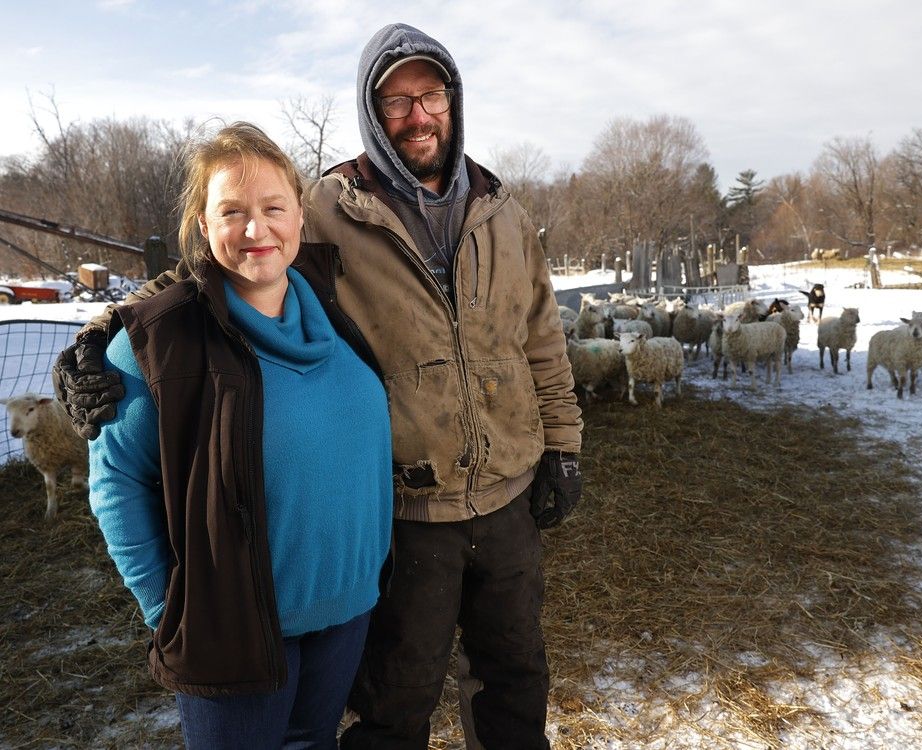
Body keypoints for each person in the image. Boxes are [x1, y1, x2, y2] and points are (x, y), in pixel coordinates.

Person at [54, 23, 583, 749]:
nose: (417, 116)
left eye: (430, 96)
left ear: (453, 102)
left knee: (518, 675)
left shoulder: (503, 211)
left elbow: (542, 340)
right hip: (412, 506)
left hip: (506, 494)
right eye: (395, 103)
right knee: (398, 696)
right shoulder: (335, 207)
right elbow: (225, 259)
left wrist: (563, 445)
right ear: (372, 113)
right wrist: (101, 329)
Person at [86, 122, 392, 749]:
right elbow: (115, 481)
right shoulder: (163, 341)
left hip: (346, 611)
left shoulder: (336, 310)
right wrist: (170, 611)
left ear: (299, 216)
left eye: (273, 207)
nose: (257, 230)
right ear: (204, 225)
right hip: (232, 630)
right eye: (232, 212)